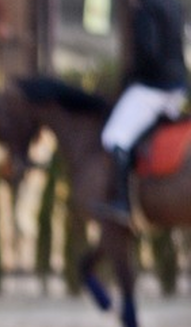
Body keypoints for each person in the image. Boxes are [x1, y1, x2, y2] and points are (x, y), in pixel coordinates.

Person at [98, 0, 188, 225]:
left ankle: (122, 203)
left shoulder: (146, 9)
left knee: (114, 136)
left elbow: (148, 53)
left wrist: (130, 80)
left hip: (153, 87)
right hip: (178, 88)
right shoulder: (174, 5)